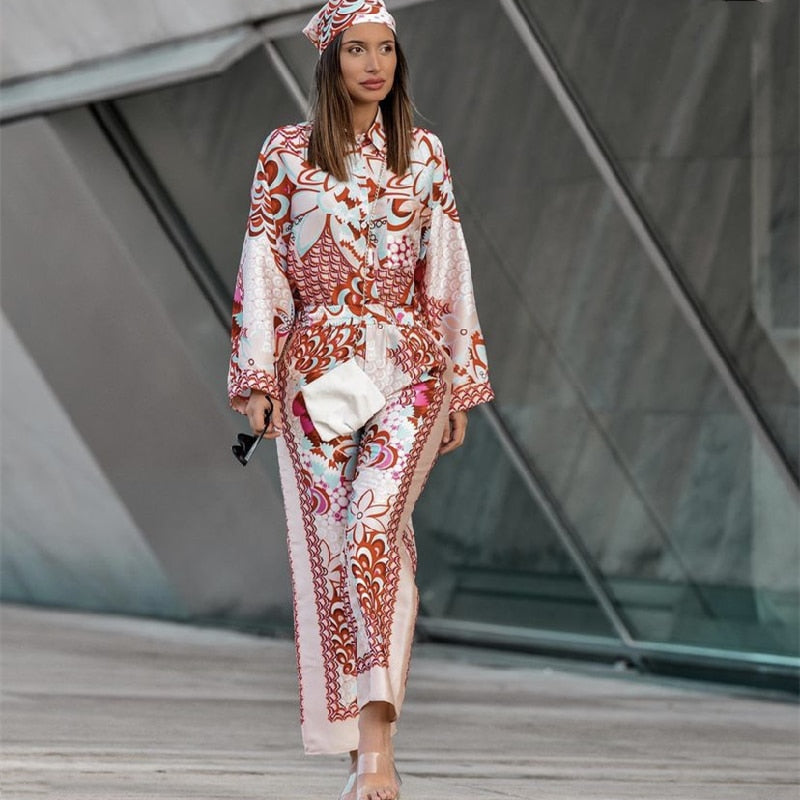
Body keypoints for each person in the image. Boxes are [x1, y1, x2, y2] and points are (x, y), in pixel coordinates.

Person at [227, 2, 494, 798]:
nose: (374, 64)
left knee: (374, 530)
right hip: (313, 378)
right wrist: (256, 377)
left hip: (409, 367)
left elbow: (447, 264)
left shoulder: (424, 153)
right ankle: (354, 744)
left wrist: (462, 385)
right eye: (357, 51)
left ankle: (378, 750)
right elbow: (263, 261)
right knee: (333, 549)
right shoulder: (286, 152)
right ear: (331, 61)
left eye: (385, 49)